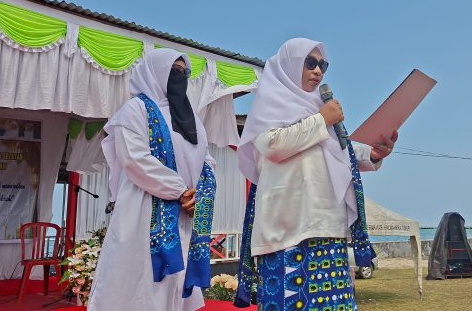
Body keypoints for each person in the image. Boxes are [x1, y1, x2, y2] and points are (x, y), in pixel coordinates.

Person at [233, 38, 397, 310]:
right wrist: (322, 119)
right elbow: (272, 145)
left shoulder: (319, 109)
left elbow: (337, 150)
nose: (318, 71)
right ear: (290, 64)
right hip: (287, 228)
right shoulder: (272, 103)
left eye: (323, 65)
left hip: (328, 224)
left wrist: (373, 154)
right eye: (310, 63)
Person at [88, 49, 217, 311]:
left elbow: (207, 161)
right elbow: (135, 159)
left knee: (176, 284)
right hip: (144, 208)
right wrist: (179, 191)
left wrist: (198, 196)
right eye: (174, 71)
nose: (180, 76)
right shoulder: (135, 109)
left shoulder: (192, 119)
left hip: (185, 212)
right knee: (141, 283)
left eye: (185, 72)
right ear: (155, 72)